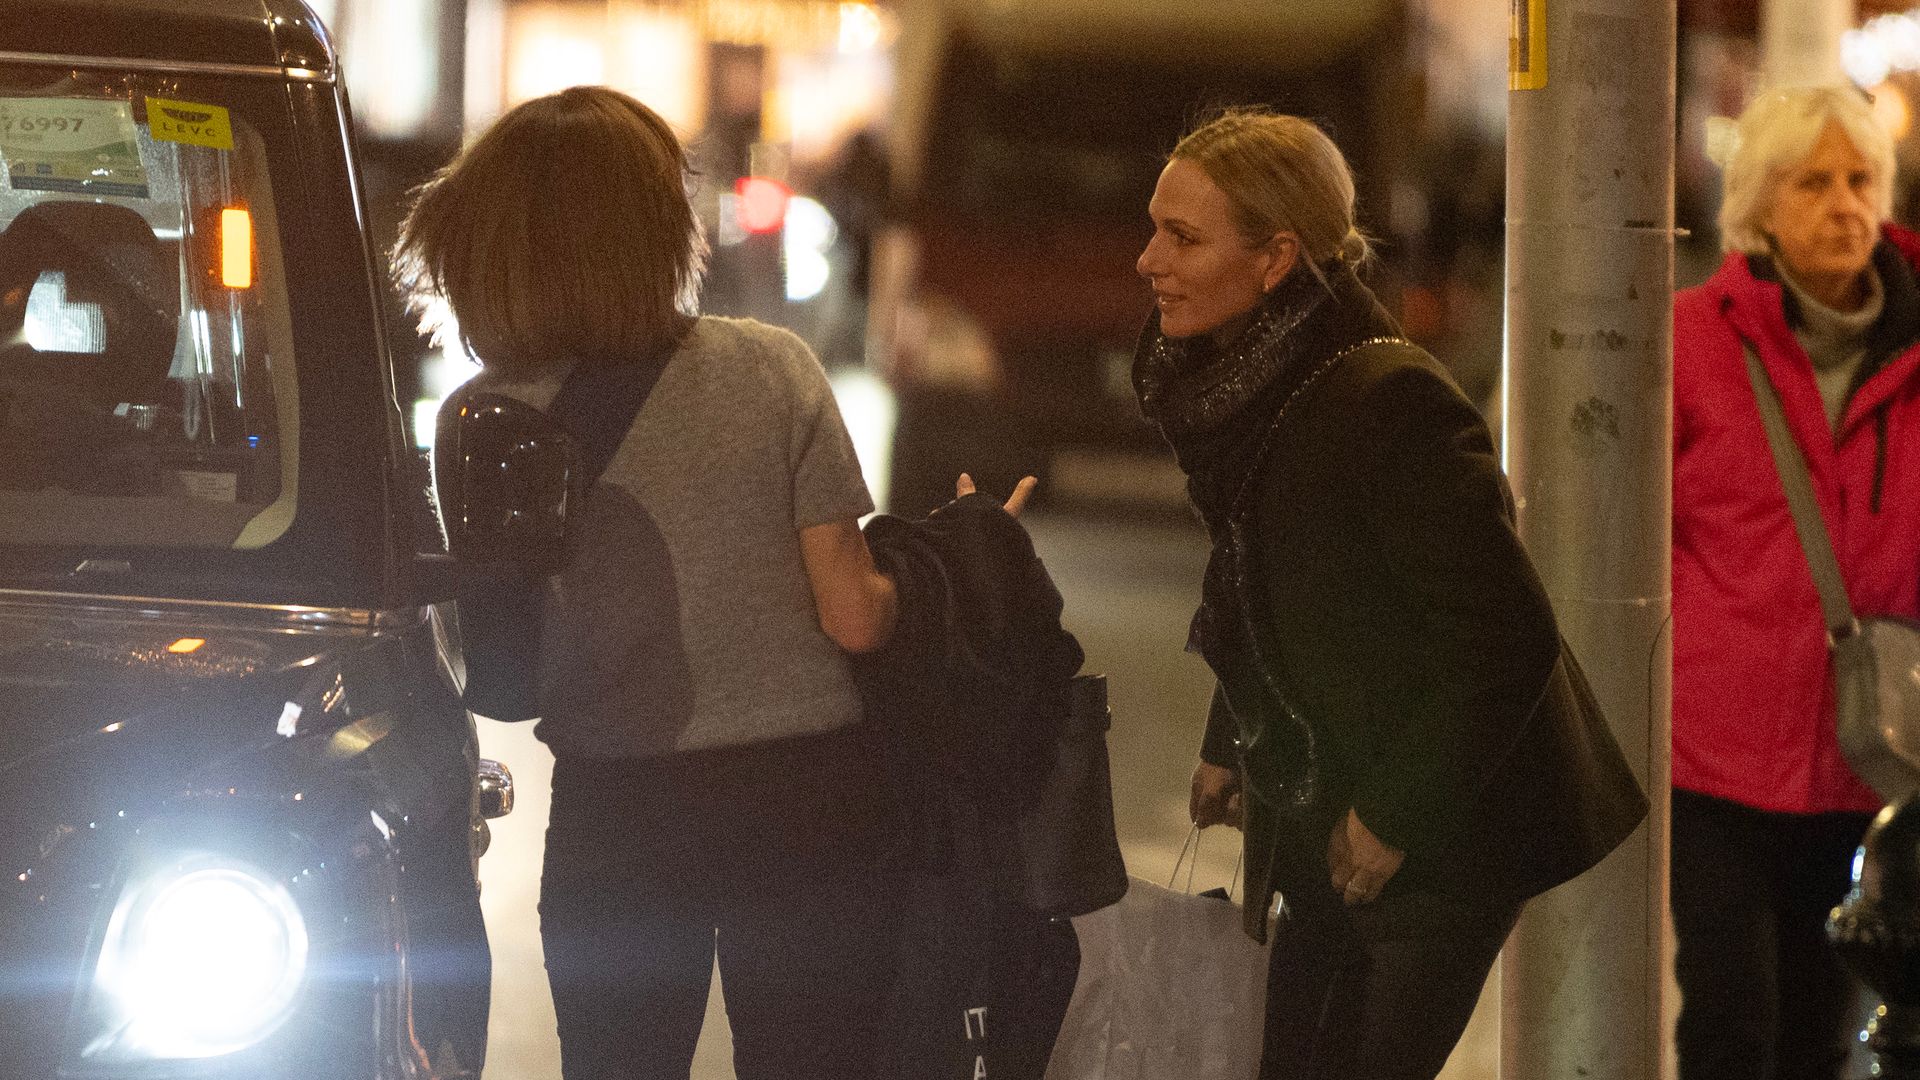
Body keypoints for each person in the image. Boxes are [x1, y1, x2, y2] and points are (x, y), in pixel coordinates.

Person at [392, 85, 941, 1080]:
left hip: (624, 812)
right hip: (811, 807)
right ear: (658, 230)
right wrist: (931, 581)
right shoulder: (773, 370)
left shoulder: (481, 419)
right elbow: (854, 618)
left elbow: (504, 675)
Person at [1131, 108, 1646, 1080]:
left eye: (1183, 236)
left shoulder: (1385, 401)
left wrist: (1394, 816)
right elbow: (1259, 577)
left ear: (1278, 258)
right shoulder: (1246, 383)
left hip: (1439, 836)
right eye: (1156, 226)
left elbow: (1506, 634)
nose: (1148, 259)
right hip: (1329, 792)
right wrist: (1223, 742)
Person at [1671, 84, 1920, 1080]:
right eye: (1813, 182)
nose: (1845, 203)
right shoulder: (1691, 342)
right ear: (1758, 207)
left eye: (1861, 179)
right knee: (1732, 1022)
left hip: (1876, 759)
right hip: (1718, 759)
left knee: (1828, 1032)